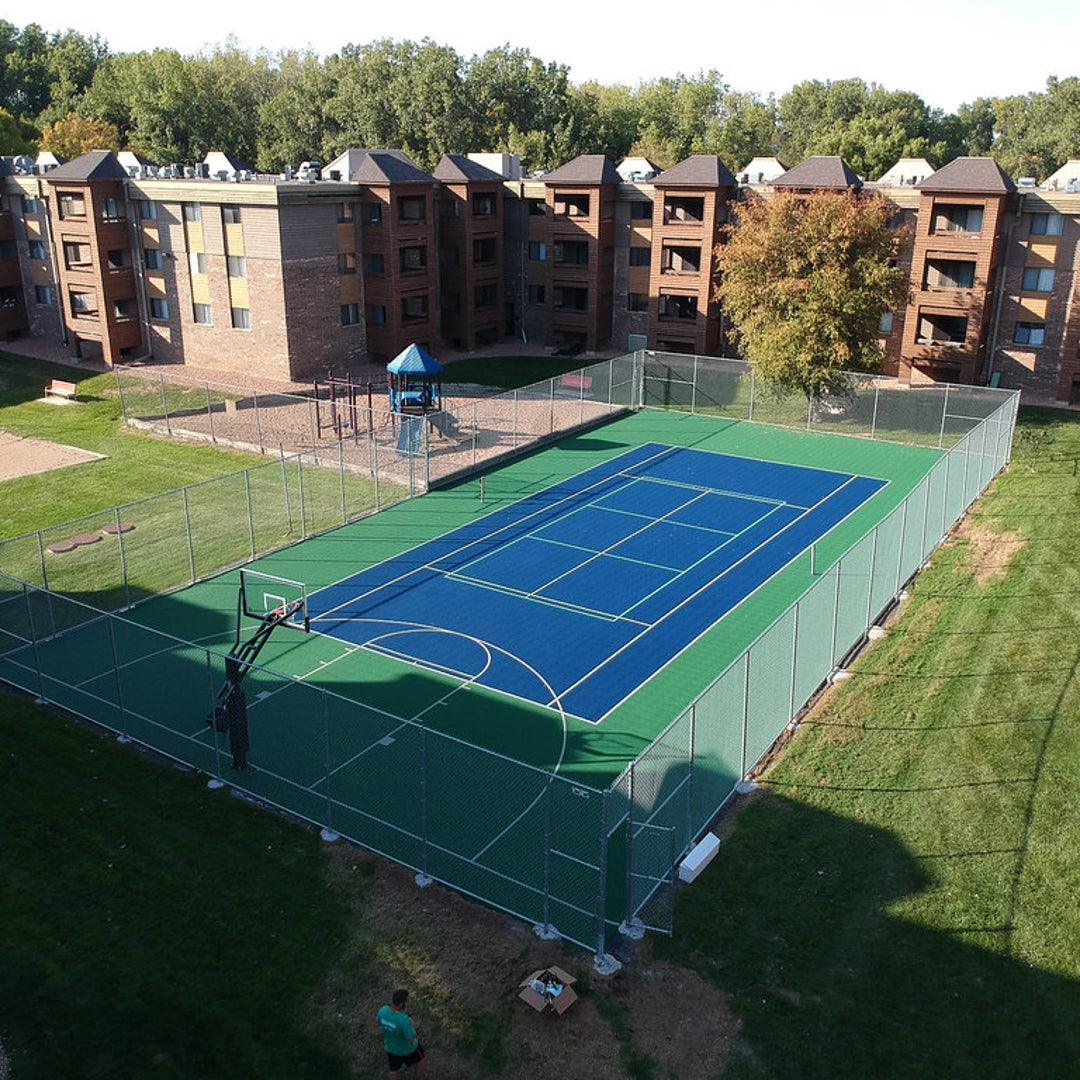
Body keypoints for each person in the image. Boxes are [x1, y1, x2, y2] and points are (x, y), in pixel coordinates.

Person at [377, 989, 426, 1078]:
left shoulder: (382, 1011)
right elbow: (411, 1040)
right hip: (408, 1050)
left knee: (393, 1070)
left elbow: (380, 1024)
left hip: (391, 1049)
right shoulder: (404, 1020)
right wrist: (414, 1028)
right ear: (401, 1004)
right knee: (421, 1059)